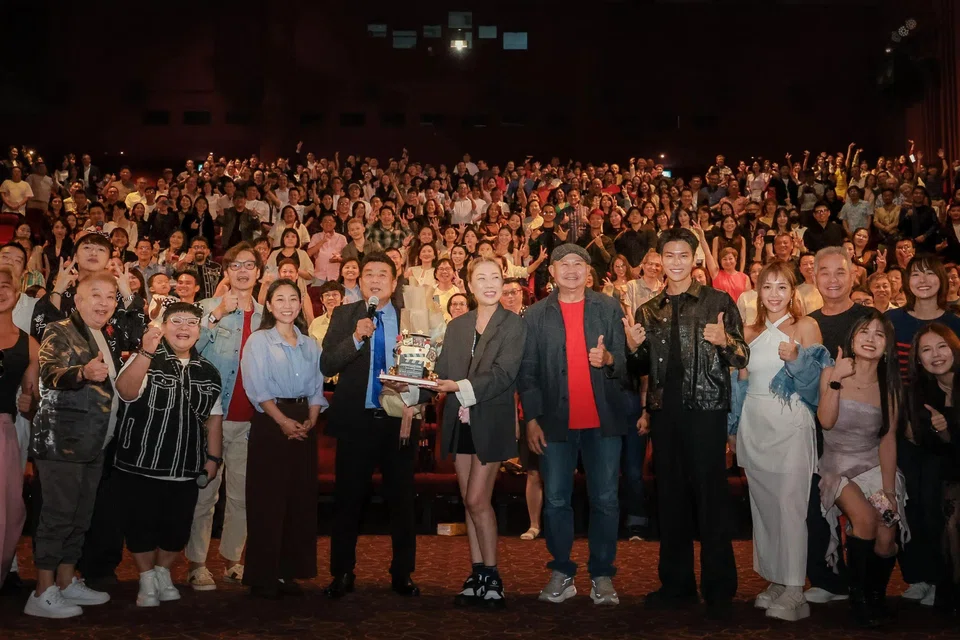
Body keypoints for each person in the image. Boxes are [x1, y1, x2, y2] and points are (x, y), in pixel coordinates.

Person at [625, 227, 748, 620]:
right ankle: (676, 585)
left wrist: (724, 341)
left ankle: (719, 588)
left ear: (694, 259)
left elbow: (743, 357)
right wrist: (631, 350)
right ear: (660, 259)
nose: (676, 262)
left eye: (683, 255)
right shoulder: (649, 309)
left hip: (708, 411)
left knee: (711, 499)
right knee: (671, 499)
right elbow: (640, 369)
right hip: (666, 413)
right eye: (669, 255)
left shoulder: (718, 301)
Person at [411, 257, 525, 608]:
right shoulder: (458, 325)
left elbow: (504, 375)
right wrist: (411, 387)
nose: (489, 284)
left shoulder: (514, 325)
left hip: (491, 419)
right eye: (481, 278)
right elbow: (441, 372)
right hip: (458, 422)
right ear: (469, 284)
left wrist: (456, 385)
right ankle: (477, 573)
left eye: (495, 277)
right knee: (469, 501)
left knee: (478, 499)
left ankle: (493, 575)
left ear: (503, 282)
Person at [518, 243, 628, 606]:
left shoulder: (608, 307)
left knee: (607, 500)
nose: (571, 270)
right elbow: (528, 372)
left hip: (602, 421)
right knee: (555, 500)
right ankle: (562, 571)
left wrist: (609, 358)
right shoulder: (535, 315)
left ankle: (602, 575)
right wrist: (531, 418)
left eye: (578, 264)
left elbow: (625, 365)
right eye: (563, 264)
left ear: (588, 271)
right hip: (554, 423)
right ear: (550, 271)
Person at [320, 252, 421, 598]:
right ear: (360, 282)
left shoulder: (411, 318)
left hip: (400, 421)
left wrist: (414, 398)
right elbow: (327, 363)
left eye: (383, 274)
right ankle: (342, 572)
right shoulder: (345, 314)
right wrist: (356, 337)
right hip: (356, 421)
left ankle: (402, 573)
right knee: (348, 500)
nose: (375, 280)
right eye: (369, 274)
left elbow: (429, 369)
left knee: (402, 501)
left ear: (394, 283)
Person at [114, 307, 223, 607]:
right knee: (141, 525)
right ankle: (146, 578)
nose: (184, 327)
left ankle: (162, 572)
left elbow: (214, 421)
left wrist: (213, 459)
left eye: (192, 322)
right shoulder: (145, 359)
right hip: (142, 463)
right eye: (176, 321)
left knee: (177, 527)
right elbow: (124, 391)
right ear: (162, 326)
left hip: (187, 466)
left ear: (200, 331)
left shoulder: (209, 372)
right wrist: (146, 352)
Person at [733, 262, 824, 621]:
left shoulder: (806, 326)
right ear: (758, 291)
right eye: (767, 287)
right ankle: (775, 579)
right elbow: (740, 381)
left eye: (782, 287)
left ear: (793, 292)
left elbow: (817, 385)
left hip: (791, 422)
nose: (774, 294)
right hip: (754, 423)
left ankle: (795, 590)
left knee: (790, 508)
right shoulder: (747, 329)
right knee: (765, 509)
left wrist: (798, 361)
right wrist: (732, 426)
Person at [26, 273, 120, 618]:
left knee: (80, 517)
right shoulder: (60, 329)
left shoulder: (103, 334)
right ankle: (42, 591)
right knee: (58, 516)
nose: (103, 302)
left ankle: (65, 582)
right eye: (95, 295)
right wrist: (81, 373)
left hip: (93, 442)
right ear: (77, 300)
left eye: (110, 296)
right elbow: (49, 372)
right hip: (62, 442)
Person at [817, 310, 908, 627]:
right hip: (837, 467)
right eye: (864, 332)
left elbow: (888, 440)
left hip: (872, 467)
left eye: (879, 334)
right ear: (852, 338)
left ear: (887, 344)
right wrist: (836, 380)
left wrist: (889, 491)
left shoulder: (890, 386)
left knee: (887, 527)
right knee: (866, 519)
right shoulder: (831, 371)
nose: (871, 339)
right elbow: (826, 422)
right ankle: (858, 601)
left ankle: (875, 596)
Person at [240, 279, 327, 598]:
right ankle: (264, 573)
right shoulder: (259, 341)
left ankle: (290, 570)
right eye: (280, 299)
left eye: (294, 298)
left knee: (299, 499)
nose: (288, 305)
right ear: (270, 305)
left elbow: (317, 388)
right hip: (270, 423)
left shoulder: (311, 343)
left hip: (304, 423)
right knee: (267, 500)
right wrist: (283, 421)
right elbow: (256, 388)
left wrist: (310, 420)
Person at [186, 242, 263, 591]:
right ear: (226, 271)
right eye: (236, 265)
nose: (243, 270)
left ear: (259, 273)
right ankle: (197, 563)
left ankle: (234, 559)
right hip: (209, 419)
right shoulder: (206, 308)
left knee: (242, 495)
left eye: (249, 265)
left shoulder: (268, 316)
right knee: (205, 493)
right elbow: (183, 346)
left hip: (251, 420)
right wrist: (216, 313)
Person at [884, 255, 960, 605]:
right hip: (900, 425)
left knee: (934, 504)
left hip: (944, 430)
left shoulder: (954, 324)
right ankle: (915, 576)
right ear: (906, 281)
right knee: (906, 501)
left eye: (931, 274)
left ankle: (939, 576)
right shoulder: (893, 321)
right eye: (916, 274)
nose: (924, 280)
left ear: (943, 280)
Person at [803, 246, 874, 604]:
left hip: (862, 428)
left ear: (853, 275)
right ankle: (825, 576)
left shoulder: (870, 318)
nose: (832, 280)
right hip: (817, 425)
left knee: (871, 507)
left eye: (840, 272)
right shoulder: (808, 323)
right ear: (813, 277)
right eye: (825, 272)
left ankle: (868, 583)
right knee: (815, 502)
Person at [906, 324, 960, 613]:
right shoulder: (919, 393)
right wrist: (943, 434)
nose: (936, 355)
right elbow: (930, 447)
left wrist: (950, 431)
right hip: (946, 471)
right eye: (926, 350)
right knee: (940, 510)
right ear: (918, 359)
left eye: (941, 346)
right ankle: (946, 585)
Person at [0, 266, 38, 587]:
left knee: (10, 510)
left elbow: (32, 397)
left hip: (4, 431)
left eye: (6, 286)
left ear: (18, 293)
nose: (0, 291)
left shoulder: (30, 345)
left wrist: (31, 403)